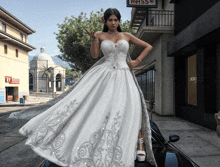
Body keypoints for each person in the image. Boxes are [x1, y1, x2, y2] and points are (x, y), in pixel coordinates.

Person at [18, 8, 158, 167]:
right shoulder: (99, 35)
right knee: (94, 108)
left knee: (127, 109)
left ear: (119, 21)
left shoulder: (127, 36)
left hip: (124, 76)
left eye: (115, 20)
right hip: (104, 75)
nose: (113, 23)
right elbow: (94, 55)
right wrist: (93, 39)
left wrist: (137, 61)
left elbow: (148, 46)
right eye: (110, 20)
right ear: (105, 21)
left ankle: (128, 145)